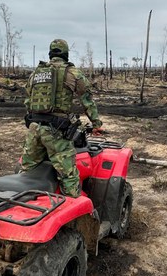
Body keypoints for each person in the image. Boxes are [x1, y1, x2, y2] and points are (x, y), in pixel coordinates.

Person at [20, 38, 104, 197]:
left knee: (28, 171)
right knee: (68, 176)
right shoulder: (72, 73)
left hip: (34, 128)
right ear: (66, 54)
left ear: (50, 53)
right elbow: (87, 100)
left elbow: (27, 100)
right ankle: (75, 218)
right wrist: (96, 124)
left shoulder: (36, 74)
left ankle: (26, 205)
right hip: (56, 131)